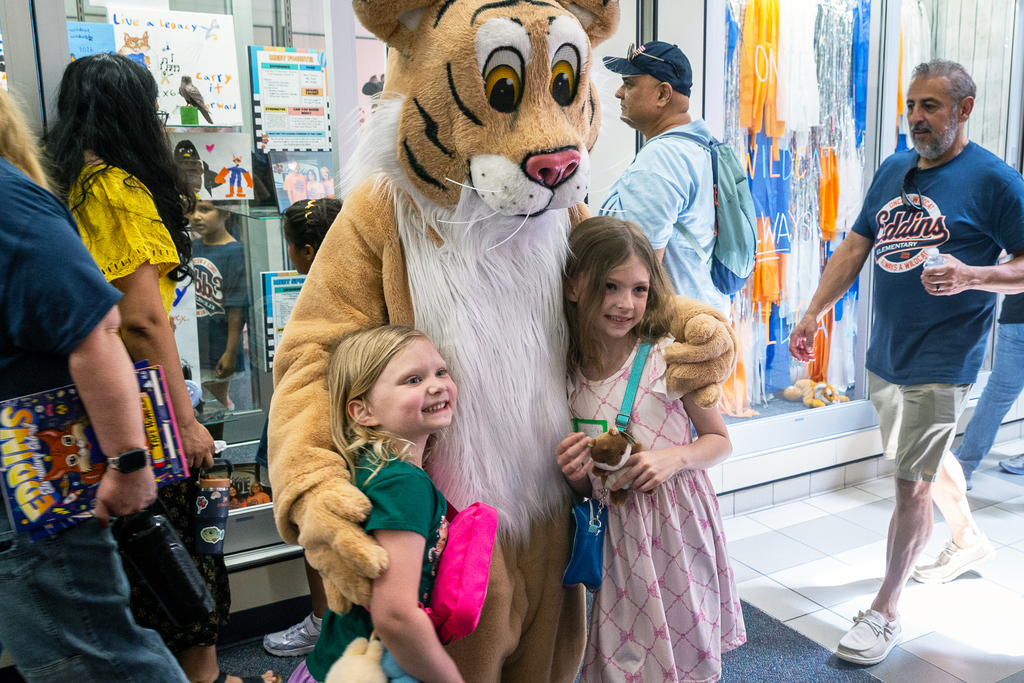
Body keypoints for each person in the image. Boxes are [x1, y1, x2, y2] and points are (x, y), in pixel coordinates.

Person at [46, 53, 277, 683]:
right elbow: (145, 322)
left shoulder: (68, 185)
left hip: (106, 409)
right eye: (149, 107)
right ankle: (202, 675)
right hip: (146, 413)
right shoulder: (114, 189)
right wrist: (186, 422)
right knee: (179, 569)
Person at [789, 59, 1024, 666]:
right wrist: (814, 310)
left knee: (908, 484)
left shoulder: (995, 182)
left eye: (931, 107)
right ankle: (968, 540)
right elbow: (857, 244)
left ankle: (886, 608)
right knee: (920, 459)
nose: (916, 118)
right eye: (912, 105)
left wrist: (974, 273)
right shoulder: (895, 167)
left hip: (945, 358)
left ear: (964, 110)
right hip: (887, 352)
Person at [0, 87, 189, 683]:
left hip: (36, 465)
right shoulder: (96, 189)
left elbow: (119, 323)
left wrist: (138, 452)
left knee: (88, 653)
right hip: (38, 461)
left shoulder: (42, 197)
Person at [555, 216, 745, 682]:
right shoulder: (563, 377)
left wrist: (673, 457)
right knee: (625, 657)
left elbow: (720, 442)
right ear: (575, 286)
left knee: (686, 647)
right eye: (611, 286)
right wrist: (575, 473)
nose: (625, 304)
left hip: (681, 532)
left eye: (639, 289)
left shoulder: (667, 358)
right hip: (619, 540)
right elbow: (587, 485)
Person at [288, 325, 465, 683]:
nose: (436, 385)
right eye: (413, 380)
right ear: (363, 411)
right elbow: (394, 616)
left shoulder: (369, 465)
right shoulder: (405, 484)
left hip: (333, 660)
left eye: (441, 371)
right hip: (374, 669)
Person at [260, 197, 341, 658]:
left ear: (308, 251)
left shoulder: (316, 301)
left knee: (309, 516)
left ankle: (321, 619)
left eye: (292, 247)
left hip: (312, 422)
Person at [599, 41, 730, 316]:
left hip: (670, 336)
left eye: (629, 84)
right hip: (703, 318)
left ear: (663, 94)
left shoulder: (662, 160)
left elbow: (636, 274)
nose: (619, 93)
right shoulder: (701, 147)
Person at [953, 293, 1024, 486]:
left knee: (998, 395)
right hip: (1018, 318)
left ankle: (963, 467)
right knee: (998, 394)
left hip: (1018, 317)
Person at [190, 200, 249, 410]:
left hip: (220, 344)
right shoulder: (191, 248)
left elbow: (236, 306)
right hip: (194, 342)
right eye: (192, 210)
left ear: (225, 213)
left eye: (205, 209)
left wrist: (231, 351)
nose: (196, 216)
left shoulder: (235, 251)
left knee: (219, 402)